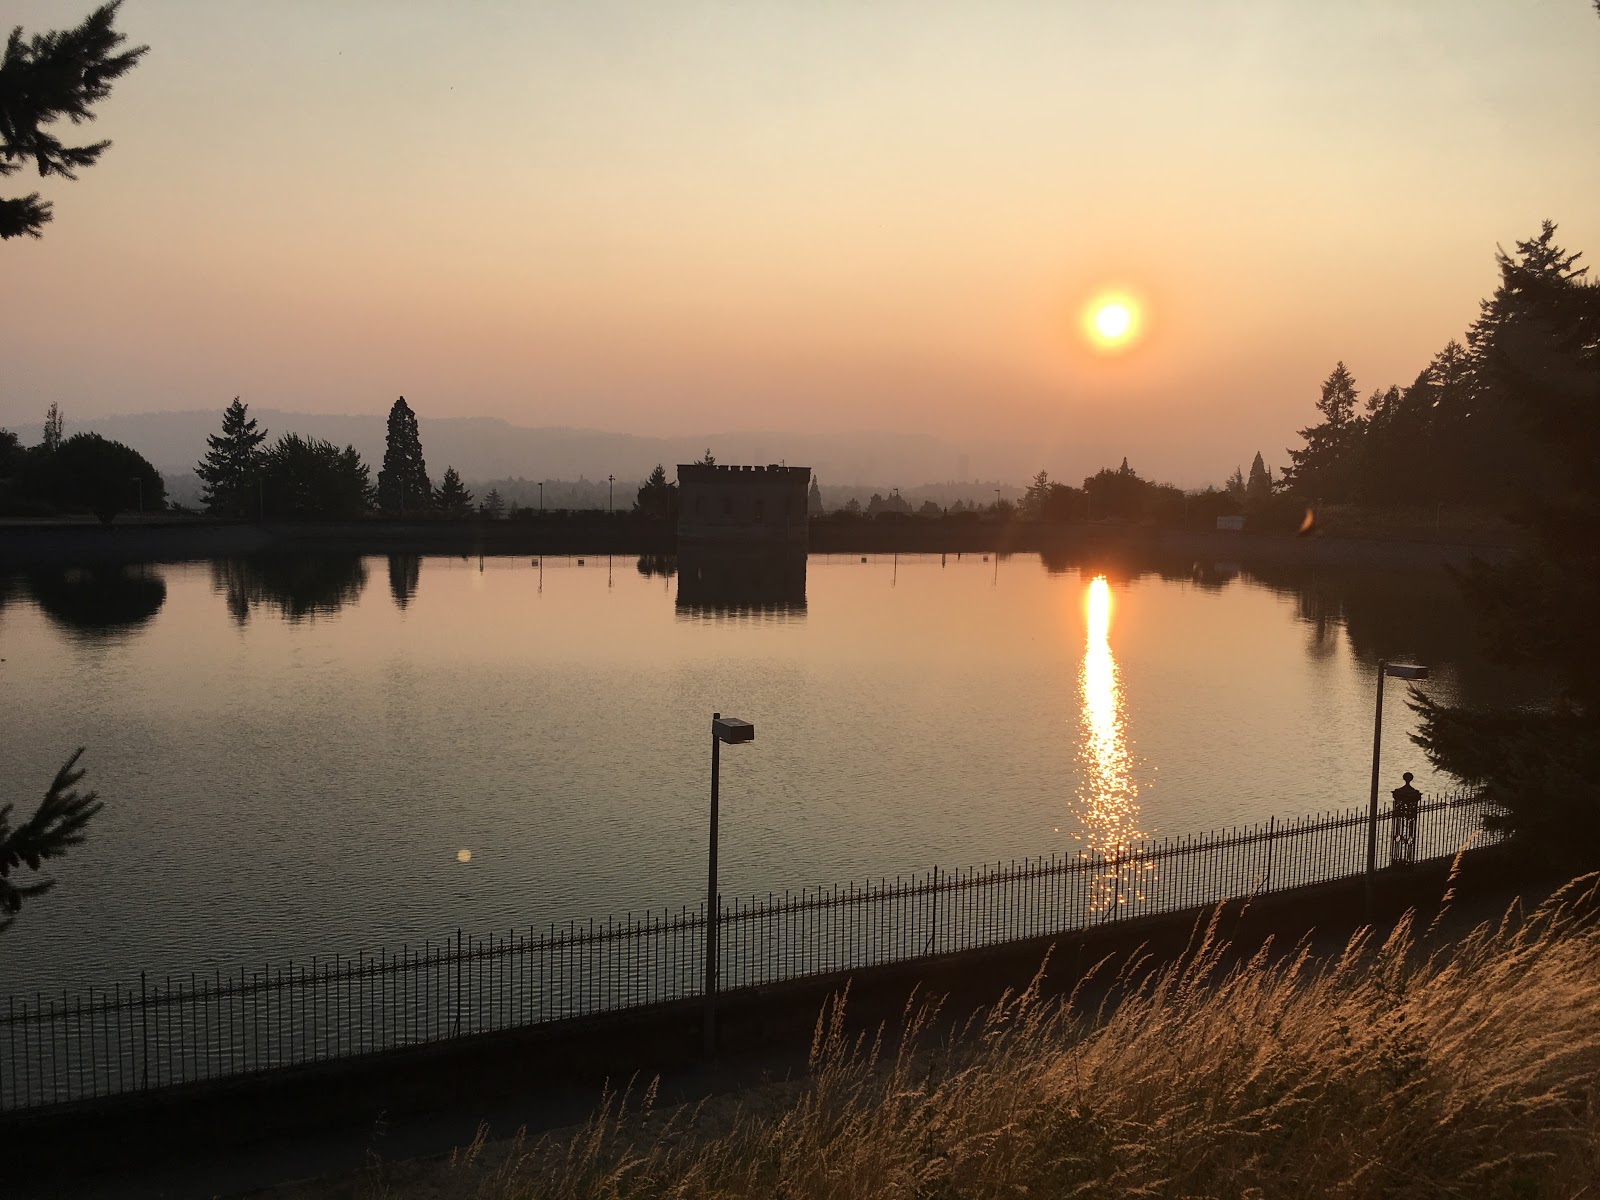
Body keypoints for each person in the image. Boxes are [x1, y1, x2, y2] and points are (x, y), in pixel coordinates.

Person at [1390, 771, 1422, 867]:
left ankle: (1400, 860)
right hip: (1410, 810)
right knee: (1407, 826)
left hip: (1407, 807)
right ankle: (1406, 859)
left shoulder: (1400, 795)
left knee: (1404, 830)